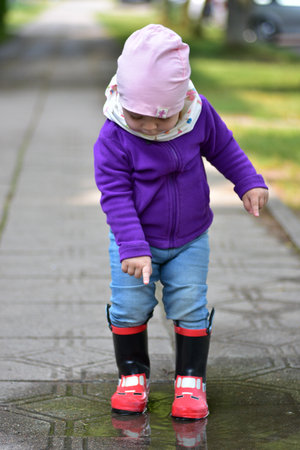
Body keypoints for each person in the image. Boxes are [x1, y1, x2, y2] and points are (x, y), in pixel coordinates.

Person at [93, 24, 268, 420]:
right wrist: (133, 247)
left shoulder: (196, 114)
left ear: (182, 101)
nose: (152, 127)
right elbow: (115, 196)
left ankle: (190, 379)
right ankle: (132, 375)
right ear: (122, 98)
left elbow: (225, 148)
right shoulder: (114, 136)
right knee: (129, 306)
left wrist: (249, 182)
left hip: (190, 237)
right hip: (134, 241)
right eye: (140, 117)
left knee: (190, 305)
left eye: (163, 118)